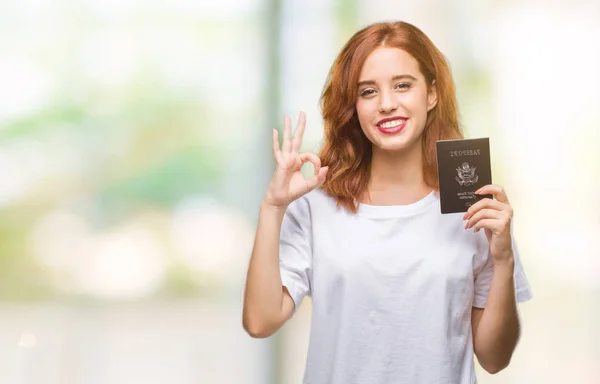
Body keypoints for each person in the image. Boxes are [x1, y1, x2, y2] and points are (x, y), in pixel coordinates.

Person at [242, 20, 532, 384]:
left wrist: (503, 259)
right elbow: (260, 320)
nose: (387, 104)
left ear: (431, 93)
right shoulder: (317, 204)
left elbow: (494, 358)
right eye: (367, 92)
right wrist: (272, 208)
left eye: (402, 85)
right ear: (354, 106)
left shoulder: (473, 207)